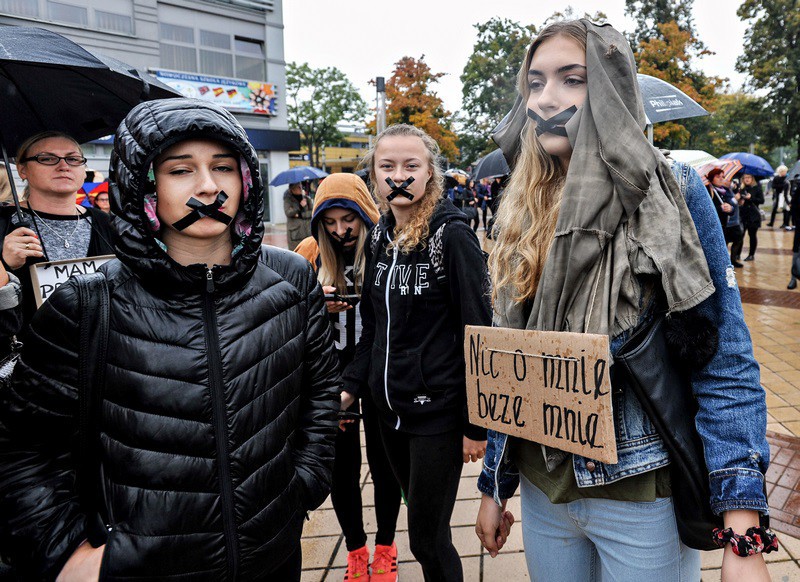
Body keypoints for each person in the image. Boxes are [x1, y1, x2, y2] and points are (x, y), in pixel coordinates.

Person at [475, 20, 772, 581]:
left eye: (572, 80)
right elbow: (512, 362)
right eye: (534, 83)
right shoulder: (521, 201)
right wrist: (495, 485)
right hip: (545, 493)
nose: (545, 99)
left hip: (642, 498)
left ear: (612, 91)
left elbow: (723, 360)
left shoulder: (673, 192)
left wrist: (743, 530)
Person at [0, 99, 341, 580]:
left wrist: (302, 485)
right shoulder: (87, 305)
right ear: (144, 185)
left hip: (273, 554)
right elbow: (25, 450)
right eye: (181, 170)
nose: (208, 185)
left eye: (223, 167)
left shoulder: (289, 278)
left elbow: (320, 392)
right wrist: (70, 557)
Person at [341, 124, 491, 581]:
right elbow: (373, 328)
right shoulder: (379, 238)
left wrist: (475, 424)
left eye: (411, 165)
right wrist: (348, 389)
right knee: (421, 526)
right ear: (374, 176)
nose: (399, 175)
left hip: (438, 415)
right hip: (386, 414)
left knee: (427, 538)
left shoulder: (453, 237)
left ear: (430, 174)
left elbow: (478, 331)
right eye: (387, 166)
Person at [294, 173, 403, 582]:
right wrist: (314, 306)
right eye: (331, 222)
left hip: (377, 372)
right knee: (340, 465)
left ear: (364, 216)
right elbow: (286, 317)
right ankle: (355, 549)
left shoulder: (384, 250)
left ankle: (386, 548)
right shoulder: (309, 252)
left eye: (348, 221)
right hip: (329, 375)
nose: (339, 231)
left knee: (384, 462)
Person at [0, 131, 114, 329]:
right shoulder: (4, 222)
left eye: (73, 159)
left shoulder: (107, 223)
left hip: (100, 350)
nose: (63, 166)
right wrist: (5, 265)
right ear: (22, 169)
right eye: (47, 158)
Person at [707, 167, 744, 267]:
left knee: (736, 240)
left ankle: (730, 261)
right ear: (711, 178)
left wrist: (730, 208)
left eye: (722, 177)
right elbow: (707, 209)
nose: (721, 179)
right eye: (718, 177)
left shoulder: (724, 190)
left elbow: (731, 209)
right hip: (714, 226)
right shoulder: (708, 190)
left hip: (725, 224)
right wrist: (721, 208)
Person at [732, 173, 764, 262]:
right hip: (743, 215)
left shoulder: (757, 188)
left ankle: (751, 255)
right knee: (740, 235)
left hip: (753, 216)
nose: (747, 179)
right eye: (745, 177)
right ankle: (737, 254)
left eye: (749, 177)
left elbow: (761, 200)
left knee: (752, 235)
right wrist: (739, 199)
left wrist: (750, 198)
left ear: (752, 178)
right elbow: (737, 201)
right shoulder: (741, 188)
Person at [284, 181, 313, 251]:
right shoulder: (288, 200)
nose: (301, 189)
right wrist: (300, 206)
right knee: (296, 253)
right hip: (295, 233)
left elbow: (312, 212)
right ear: (292, 189)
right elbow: (288, 213)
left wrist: (300, 214)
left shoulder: (307, 199)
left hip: (307, 231)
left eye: (301, 187)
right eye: (298, 187)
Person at [767, 165, 791, 230]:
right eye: (783, 171)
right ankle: (771, 222)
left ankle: (785, 223)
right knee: (774, 209)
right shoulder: (776, 178)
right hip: (778, 195)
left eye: (785, 171)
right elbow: (773, 186)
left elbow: (788, 186)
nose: (784, 172)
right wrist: (782, 185)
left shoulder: (787, 178)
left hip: (785, 195)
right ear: (780, 171)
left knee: (785, 209)